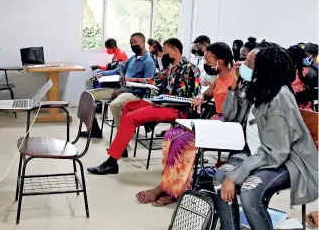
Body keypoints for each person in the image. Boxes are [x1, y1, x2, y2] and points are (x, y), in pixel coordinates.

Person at [214, 43, 318, 230]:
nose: (242, 65)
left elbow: (276, 153)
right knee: (219, 179)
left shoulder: (278, 98)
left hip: (288, 160)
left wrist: (235, 176)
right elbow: (231, 116)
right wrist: (234, 86)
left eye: (249, 63)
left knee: (249, 191)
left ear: (264, 69)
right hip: (258, 151)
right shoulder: (258, 88)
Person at [135, 42, 234, 206]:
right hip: (214, 121)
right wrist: (201, 97)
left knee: (184, 141)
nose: (206, 64)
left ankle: (173, 190)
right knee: (171, 135)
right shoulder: (219, 78)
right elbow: (207, 94)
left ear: (220, 61)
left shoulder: (234, 79)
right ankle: (168, 185)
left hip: (226, 124)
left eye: (209, 61)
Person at [87, 38, 201, 175]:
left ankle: (111, 162)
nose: (162, 55)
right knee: (129, 106)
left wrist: (166, 101)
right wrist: (133, 80)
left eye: (165, 52)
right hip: (163, 103)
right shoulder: (171, 68)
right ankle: (121, 146)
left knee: (130, 117)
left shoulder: (192, 70)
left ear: (175, 51)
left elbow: (193, 98)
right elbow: (153, 80)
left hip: (177, 109)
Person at [79, 33, 156, 138]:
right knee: (88, 95)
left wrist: (124, 90)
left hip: (135, 94)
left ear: (143, 42)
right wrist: (102, 74)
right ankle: (94, 130)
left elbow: (148, 84)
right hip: (119, 88)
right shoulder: (132, 59)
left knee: (115, 105)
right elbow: (118, 70)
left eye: (135, 42)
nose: (133, 45)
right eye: (131, 43)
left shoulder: (149, 62)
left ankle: (122, 138)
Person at [287, 44, 315, 110]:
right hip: (293, 108)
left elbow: (314, 92)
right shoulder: (303, 71)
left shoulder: (306, 72)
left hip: (303, 110)